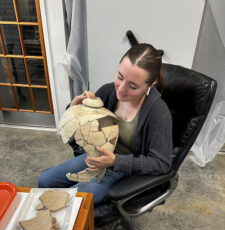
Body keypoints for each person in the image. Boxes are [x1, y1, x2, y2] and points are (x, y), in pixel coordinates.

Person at [38, 43, 173, 205]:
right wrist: (75, 108)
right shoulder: (109, 92)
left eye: (133, 86)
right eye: (120, 77)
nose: (121, 89)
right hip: (96, 158)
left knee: (77, 200)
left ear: (150, 85)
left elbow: (162, 163)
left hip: (124, 169)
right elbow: (80, 125)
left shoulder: (158, 112)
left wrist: (116, 161)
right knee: (45, 181)